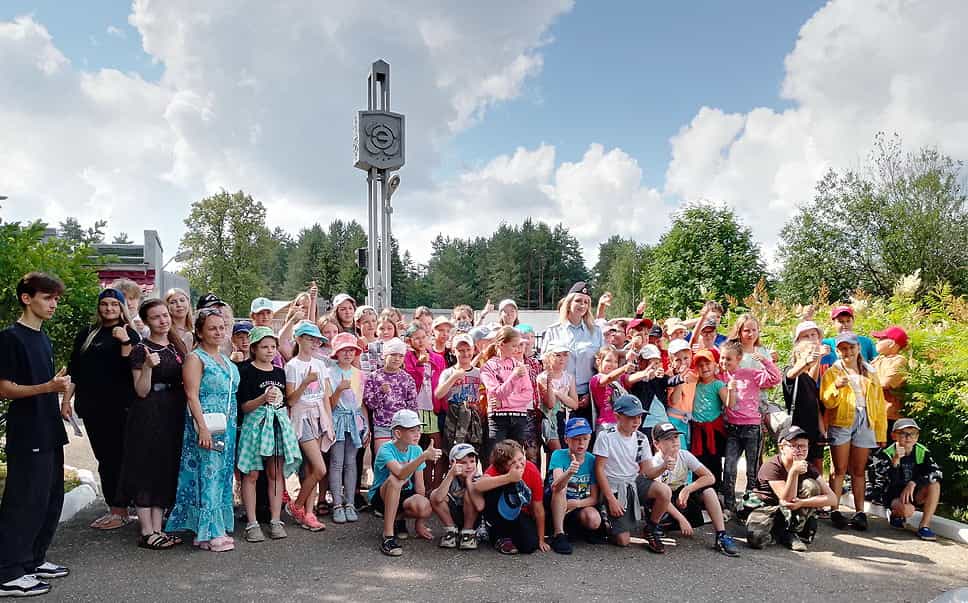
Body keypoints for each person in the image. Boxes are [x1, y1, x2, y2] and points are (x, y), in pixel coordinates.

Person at [0, 273, 70, 597]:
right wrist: (48, 387)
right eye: (46, 297)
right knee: (24, 501)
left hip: (50, 428)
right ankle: (9, 572)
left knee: (50, 498)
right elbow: (4, 388)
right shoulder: (10, 338)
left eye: (55, 298)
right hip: (27, 432)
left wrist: (57, 388)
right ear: (27, 298)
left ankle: (34, 559)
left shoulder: (43, 338)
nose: (53, 304)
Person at [62, 288, 141, 530]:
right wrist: (66, 400)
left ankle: (122, 510)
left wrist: (125, 341)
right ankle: (115, 508)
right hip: (92, 407)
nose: (108, 309)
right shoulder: (87, 333)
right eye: (104, 304)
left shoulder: (130, 333)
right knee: (105, 459)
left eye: (114, 305)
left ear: (121, 308)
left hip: (121, 406)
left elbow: (132, 368)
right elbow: (75, 368)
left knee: (120, 458)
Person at [166, 307, 240, 552]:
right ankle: (208, 531)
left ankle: (210, 529)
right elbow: (191, 395)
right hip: (206, 423)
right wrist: (202, 428)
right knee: (207, 473)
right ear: (199, 331)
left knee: (221, 475)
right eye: (212, 328)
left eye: (221, 327)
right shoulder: (195, 358)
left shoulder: (224, 358)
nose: (218, 332)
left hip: (226, 424)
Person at [117, 299, 188, 550]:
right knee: (146, 468)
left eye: (165, 315)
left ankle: (159, 529)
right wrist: (147, 367)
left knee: (164, 468)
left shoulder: (176, 346)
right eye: (156, 317)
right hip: (149, 413)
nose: (163, 320)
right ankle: (147, 531)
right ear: (147, 322)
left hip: (173, 411)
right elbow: (141, 390)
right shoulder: (141, 349)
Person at [236, 327, 301, 543]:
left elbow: (284, 401)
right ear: (254, 348)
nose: (270, 351)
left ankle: (275, 519)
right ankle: (252, 522)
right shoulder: (245, 371)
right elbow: (244, 406)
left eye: (273, 347)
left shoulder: (279, 372)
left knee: (275, 473)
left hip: (275, 428)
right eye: (264, 347)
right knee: (251, 474)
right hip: (254, 427)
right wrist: (263, 399)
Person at [821, 331, 887, 531]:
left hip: (865, 421)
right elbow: (827, 401)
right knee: (839, 468)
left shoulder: (870, 371)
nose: (847, 352)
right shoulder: (833, 372)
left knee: (859, 470)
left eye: (851, 347)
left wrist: (881, 432)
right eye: (843, 349)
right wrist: (836, 387)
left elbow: (879, 403)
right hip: (842, 420)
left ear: (858, 348)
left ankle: (860, 512)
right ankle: (835, 509)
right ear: (838, 351)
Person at [593, 394, 669, 553]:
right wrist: (611, 499)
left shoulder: (641, 438)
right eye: (631, 417)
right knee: (623, 541)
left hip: (633, 482)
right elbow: (599, 469)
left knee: (664, 491)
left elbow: (648, 472)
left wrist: (664, 466)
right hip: (613, 485)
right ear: (617, 416)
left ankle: (651, 528)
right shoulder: (606, 435)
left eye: (639, 417)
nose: (636, 421)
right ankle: (607, 517)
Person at [651, 423, 739, 557]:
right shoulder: (655, 463)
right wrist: (681, 519)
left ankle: (721, 535)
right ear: (657, 444)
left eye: (676, 437)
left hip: (680, 495)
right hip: (662, 502)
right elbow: (659, 496)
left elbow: (710, 477)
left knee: (708, 491)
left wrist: (688, 489)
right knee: (661, 496)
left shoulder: (684, 455)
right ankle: (658, 527)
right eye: (668, 438)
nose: (674, 441)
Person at [746, 426, 838, 551]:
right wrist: (794, 472)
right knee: (756, 539)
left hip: (794, 508)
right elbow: (786, 500)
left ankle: (792, 531)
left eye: (804, 446)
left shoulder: (809, 467)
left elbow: (833, 499)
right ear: (782, 447)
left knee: (811, 485)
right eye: (794, 446)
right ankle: (781, 531)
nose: (799, 450)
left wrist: (803, 503)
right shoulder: (772, 466)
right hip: (769, 506)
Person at [719, 340, 781, 512]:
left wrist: (765, 361)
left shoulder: (750, 374)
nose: (724, 362)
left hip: (752, 428)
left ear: (739, 358)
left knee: (752, 470)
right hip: (732, 428)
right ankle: (729, 507)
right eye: (722, 358)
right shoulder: (721, 376)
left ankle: (750, 505)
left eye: (728, 359)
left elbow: (775, 378)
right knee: (729, 468)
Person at [369, 410, 439, 556]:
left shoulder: (417, 449)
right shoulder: (385, 449)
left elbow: (420, 486)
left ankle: (400, 519)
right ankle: (388, 536)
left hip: (405, 494)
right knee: (396, 480)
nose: (417, 434)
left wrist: (420, 522)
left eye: (418, 429)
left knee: (424, 506)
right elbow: (400, 473)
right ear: (398, 433)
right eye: (412, 430)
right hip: (381, 497)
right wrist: (424, 457)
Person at [284, 322, 333, 532]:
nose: (314, 343)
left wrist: (329, 422)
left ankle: (309, 513)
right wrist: (305, 382)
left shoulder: (321, 364)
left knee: (312, 469)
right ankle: (296, 506)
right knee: (320, 469)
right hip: (302, 420)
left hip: (318, 418)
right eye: (310, 338)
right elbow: (291, 400)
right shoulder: (292, 366)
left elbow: (325, 397)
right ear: (299, 339)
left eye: (317, 340)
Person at [868, 419, 943, 541]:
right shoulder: (886, 453)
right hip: (893, 495)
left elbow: (937, 473)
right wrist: (896, 462)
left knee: (935, 484)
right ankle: (895, 514)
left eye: (912, 433)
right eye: (903, 433)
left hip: (914, 493)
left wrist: (914, 483)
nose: (908, 437)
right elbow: (881, 481)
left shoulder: (922, 451)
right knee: (908, 510)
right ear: (894, 435)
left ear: (917, 437)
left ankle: (924, 526)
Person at [541, 282, 604, 425]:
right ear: (569, 303)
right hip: (559, 396)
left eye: (586, 302)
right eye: (578, 301)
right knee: (561, 442)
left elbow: (601, 366)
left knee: (585, 441)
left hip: (587, 397)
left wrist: (591, 393)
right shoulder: (553, 331)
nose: (582, 305)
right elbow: (545, 365)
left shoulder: (596, 332)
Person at [325, 333, 369, 524]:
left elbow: (361, 404)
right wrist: (339, 389)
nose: (348, 353)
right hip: (336, 420)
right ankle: (336, 503)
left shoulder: (360, 374)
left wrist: (366, 425)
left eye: (351, 349)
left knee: (351, 462)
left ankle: (350, 503)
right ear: (336, 353)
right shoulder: (329, 373)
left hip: (355, 421)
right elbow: (329, 404)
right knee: (336, 462)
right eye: (344, 350)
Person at [476, 439, 548, 555]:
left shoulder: (531, 470)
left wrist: (541, 539)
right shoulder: (496, 468)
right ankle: (497, 534)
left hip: (521, 512)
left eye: (520, 459)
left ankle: (510, 535)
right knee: (492, 487)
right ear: (503, 466)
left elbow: (538, 507)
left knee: (529, 546)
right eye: (513, 463)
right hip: (499, 509)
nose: (519, 465)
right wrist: (508, 478)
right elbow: (478, 486)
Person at [544, 417, 601, 554]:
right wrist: (569, 472)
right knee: (561, 489)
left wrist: (576, 503)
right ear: (566, 439)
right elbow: (556, 486)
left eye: (585, 438)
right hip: (556, 500)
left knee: (594, 520)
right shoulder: (558, 455)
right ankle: (559, 534)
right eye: (576, 438)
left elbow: (594, 498)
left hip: (576, 502)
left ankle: (575, 530)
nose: (581, 443)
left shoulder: (591, 459)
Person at [480, 327, 536, 461]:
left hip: (519, 417)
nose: (517, 349)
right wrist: (514, 376)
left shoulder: (519, 365)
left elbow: (528, 394)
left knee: (515, 459)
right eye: (514, 345)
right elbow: (496, 393)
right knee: (496, 458)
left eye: (519, 345)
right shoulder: (488, 367)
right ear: (501, 345)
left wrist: (505, 402)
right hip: (498, 419)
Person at [403, 323, 447, 490]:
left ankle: (434, 486)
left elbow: (441, 380)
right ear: (410, 341)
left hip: (433, 407)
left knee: (436, 446)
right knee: (417, 448)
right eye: (417, 338)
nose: (421, 341)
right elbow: (411, 380)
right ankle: (418, 485)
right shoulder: (408, 357)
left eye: (423, 337)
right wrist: (420, 365)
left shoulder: (437, 358)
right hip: (415, 408)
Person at [364, 338, 417, 450]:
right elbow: (369, 404)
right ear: (385, 355)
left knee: (402, 461)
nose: (397, 359)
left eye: (400, 356)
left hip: (403, 427)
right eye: (393, 355)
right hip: (381, 426)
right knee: (383, 461)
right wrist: (381, 393)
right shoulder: (374, 377)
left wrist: (414, 428)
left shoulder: (407, 378)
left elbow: (412, 406)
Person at [429, 443, 483, 550]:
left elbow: (480, 506)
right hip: (456, 515)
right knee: (435, 494)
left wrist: (468, 482)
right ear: (452, 463)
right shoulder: (451, 477)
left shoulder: (479, 479)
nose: (469, 466)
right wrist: (450, 474)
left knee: (470, 493)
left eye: (472, 461)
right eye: (463, 462)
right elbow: (437, 499)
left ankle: (468, 532)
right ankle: (451, 530)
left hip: (476, 521)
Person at [689, 349, 730, 491]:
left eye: (707, 364)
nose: (704, 368)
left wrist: (732, 388)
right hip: (697, 430)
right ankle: (699, 493)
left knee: (714, 461)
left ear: (715, 365)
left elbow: (728, 403)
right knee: (698, 461)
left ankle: (716, 490)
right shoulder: (695, 383)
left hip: (713, 430)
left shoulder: (718, 384)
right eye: (700, 365)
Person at [436, 334, 484, 454]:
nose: (465, 354)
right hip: (455, 417)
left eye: (468, 350)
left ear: (473, 350)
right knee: (454, 453)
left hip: (474, 418)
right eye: (461, 350)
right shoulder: (448, 372)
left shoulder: (480, 373)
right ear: (454, 351)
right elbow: (439, 394)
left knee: (473, 452)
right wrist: (454, 377)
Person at [783, 339, 826, 473]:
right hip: (798, 430)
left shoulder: (810, 380)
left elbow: (816, 407)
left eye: (815, 353)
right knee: (798, 467)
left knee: (816, 468)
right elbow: (791, 374)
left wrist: (822, 431)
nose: (813, 355)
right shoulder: (791, 371)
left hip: (814, 432)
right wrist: (807, 361)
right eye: (810, 352)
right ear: (798, 355)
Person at [536, 345, 578, 452]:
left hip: (566, 417)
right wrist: (549, 384)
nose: (562, 358)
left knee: (566, 450)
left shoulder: (569, 377)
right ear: (549, 357)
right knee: (557, 452)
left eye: (565, 355)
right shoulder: (542, 378)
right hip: (550, 419)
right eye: (558, 355)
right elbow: (550, 404)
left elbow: (574, 404)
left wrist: (558, 393)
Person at [870, 325, 909, 433]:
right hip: (874, 414)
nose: (876, 342)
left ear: (892, 343)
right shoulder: (879, 359)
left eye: (881, 339)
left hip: (889, 416)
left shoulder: (899, 361)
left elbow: (884, 383)